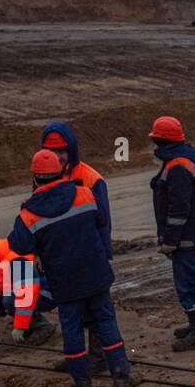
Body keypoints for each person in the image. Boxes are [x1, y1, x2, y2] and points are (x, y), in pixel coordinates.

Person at [8, 150, 141, 387]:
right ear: (61, 171)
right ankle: (121, 376)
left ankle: (82, 383)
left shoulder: (28, 214)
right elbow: (101, 221)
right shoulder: (84, 194)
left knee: (72, 329)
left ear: (35, 178)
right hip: (95, 274)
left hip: (64, 282)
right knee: (105, 322)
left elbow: (18, 245)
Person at [40, 121, 112, 373]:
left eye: (62, 150)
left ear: (71, 149)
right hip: (61, 262)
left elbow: (103, 223)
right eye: (52, 150)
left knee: (95, 313)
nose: (58, 156)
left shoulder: (91, 179)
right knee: (71, 314)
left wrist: (104, 256)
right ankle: (77, 360)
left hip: (89, 258)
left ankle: (98, 358)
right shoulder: (44, 177)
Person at [148, 116, 195, 351]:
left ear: (160, 140)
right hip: (191, 235)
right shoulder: (179, 161)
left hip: (185, 238)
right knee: (192, 280)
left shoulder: (177, 167)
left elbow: (178, 209)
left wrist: (170, 240)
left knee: (188, 283)